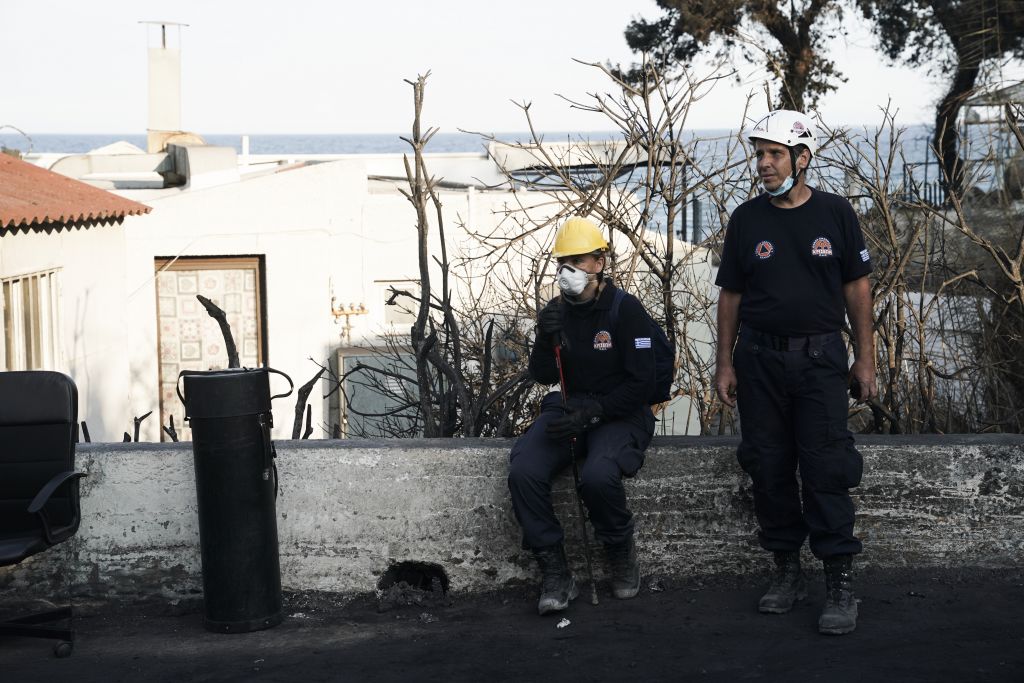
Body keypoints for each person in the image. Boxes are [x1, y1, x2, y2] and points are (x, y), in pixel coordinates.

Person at [713, 110, 877, 635]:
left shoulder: (836, 214)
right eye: (758, 153)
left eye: (774, 154)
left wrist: (866, 357)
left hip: (820, 360)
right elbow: (731, 295)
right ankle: (787, 571)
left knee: (827, 465)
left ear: (802, 159)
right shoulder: (746, 220)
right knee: (768, 465)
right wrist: (723, 362)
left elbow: (858, 288)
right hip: (758, 361)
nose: (762, 163)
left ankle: (839, 582)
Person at [508, 215, 657, 616]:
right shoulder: (557, 312)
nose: (568, 269)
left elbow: (646, 381)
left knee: (598, 475)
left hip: (619, 411)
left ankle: (620, 552)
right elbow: (543, 375)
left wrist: (596, 413)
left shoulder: (625, 311)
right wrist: (543, 336)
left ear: (599, 263)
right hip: (569, 405)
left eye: (579, 260)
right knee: (524, 470)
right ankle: (555, 570)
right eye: (563, 261)